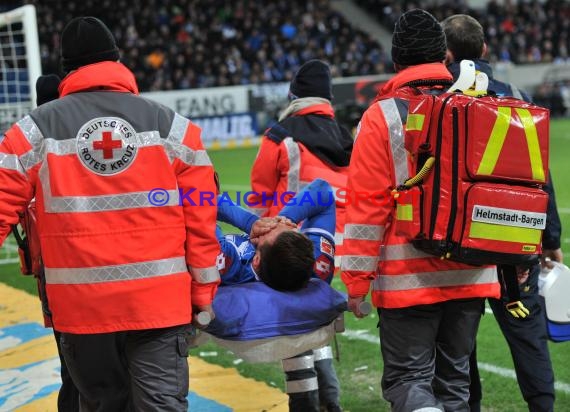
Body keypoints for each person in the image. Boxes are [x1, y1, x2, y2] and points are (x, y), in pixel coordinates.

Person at [0, 16, 220, 411]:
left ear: (67, 69)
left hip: (81, 309)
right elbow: (202, 218)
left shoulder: (31, 132)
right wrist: (203, 292)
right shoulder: (175, 129)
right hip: (159, 304)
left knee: (103, 405)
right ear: (117, 60)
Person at [341, 9, 501, 412]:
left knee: (408, 381)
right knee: (455, 384)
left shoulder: (381, 117)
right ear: (444, 57)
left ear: (396, 63)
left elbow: (366, 207)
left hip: (407, 278)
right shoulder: (481, 104)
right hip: (471, 271)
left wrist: (357, 282)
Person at [441, 14, 564, 412]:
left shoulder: (441, 100)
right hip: (515, 237)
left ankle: (469, 405)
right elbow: (539, 174)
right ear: (485, 50)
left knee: (462, 337)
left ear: (445, 53)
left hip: (459, 242)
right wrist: (551, 237)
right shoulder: (516, 95)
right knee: (527, 331)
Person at [249, 59, 351, 412]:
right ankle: (330, 402)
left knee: (292, 332)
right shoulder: (345, 137)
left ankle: (307, 403)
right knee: (313, 324)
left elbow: (260, 191)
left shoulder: (280, 135)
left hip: (289, 245)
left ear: (294, 95)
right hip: (333, 247)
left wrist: (266, 236)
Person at [217, 178, 340, 412]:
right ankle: (329, 402)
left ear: (257, 258)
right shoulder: (315, 267)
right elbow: (322, 190)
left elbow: (198, 205)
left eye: (272, 229)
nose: (272, 223)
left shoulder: (231, 263)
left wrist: (250, 222)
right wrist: (288, 218)